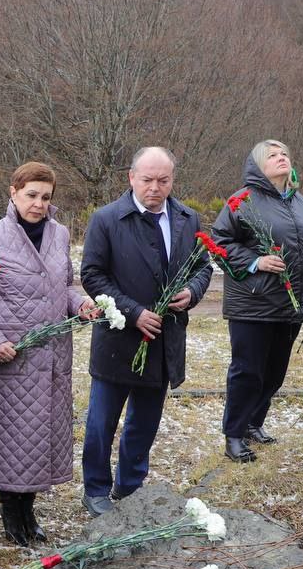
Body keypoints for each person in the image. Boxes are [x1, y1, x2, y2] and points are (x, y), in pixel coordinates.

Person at [79, 147, 213, 517]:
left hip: (163, 342)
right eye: (147, 180)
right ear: (131, 178)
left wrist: (193, 292)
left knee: (144, 422)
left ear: (172, 180)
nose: (155, 188)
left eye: (163, 181)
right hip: (118, 339)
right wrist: (133, 312)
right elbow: (92, 274)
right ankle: (95, 489)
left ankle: (130, 485)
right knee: (102, 422)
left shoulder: (188, 219)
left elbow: (203, 266)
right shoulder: (107, 219)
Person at [0, 162, 95, 545]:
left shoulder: (59, 234)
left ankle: (29, 511)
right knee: (13, 440)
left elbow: (64, 286)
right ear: (13, 192)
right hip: (12, 358)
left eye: (46, 197)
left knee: (41, 439)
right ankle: (12, 511)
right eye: (31, 195)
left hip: (53, 357)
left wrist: (81, 305)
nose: (39, 204)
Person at [211, 140, 303, 462]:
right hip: (253, 302)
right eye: (273, 156)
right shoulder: (242, 201)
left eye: (285, 155)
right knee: (248, 371)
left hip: (289, 304)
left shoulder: (301, 203)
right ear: (258, 166)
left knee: (275, 372)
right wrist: (256, 261)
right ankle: (234, 435)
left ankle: (253, 423)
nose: (281, 159)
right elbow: (218, 242)